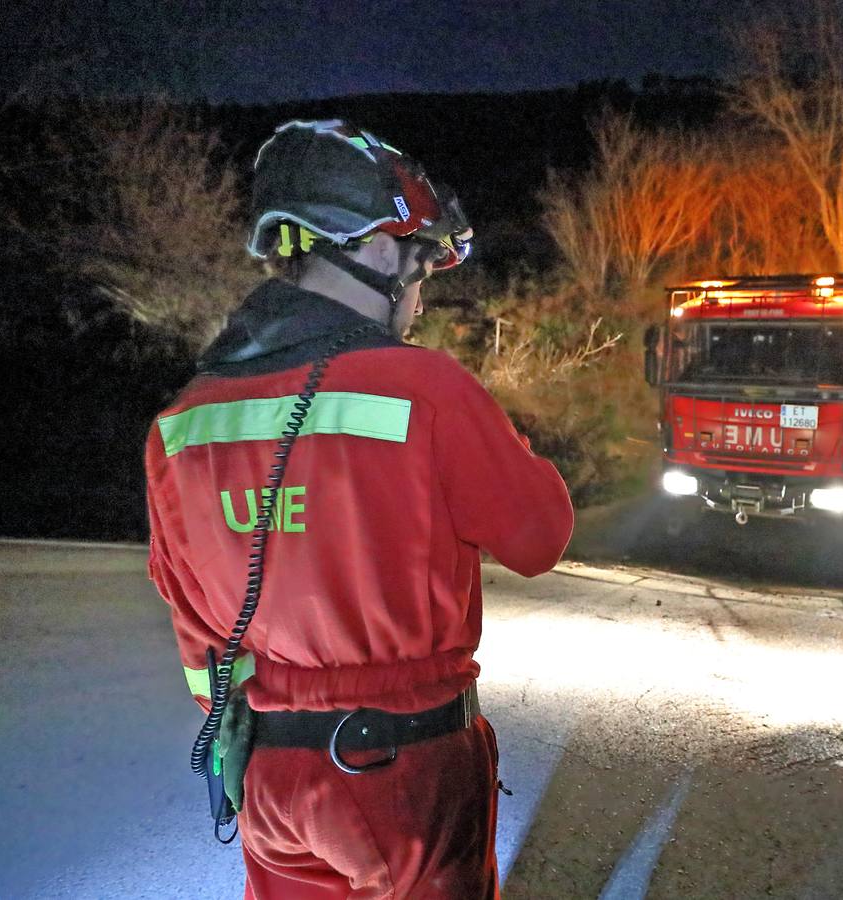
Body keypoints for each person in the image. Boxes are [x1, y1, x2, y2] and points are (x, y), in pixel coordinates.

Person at [144, 118, 574, 899]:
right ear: (378, 247)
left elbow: (197, 628)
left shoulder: (180, 422)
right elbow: (541, 536)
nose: (417, 296)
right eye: (418, 268)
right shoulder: (429, 389)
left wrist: (238, 723)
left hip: (271, 781)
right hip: (405, 772)